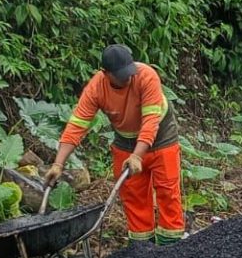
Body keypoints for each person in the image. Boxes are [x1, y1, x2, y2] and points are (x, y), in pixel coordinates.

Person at [47, 45, 184, 245]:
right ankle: (141, 250)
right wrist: (58, 165)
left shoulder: (146, 76)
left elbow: (150, 122)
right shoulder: (96, 88)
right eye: (120, 76)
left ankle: (173, 246)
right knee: (133, 195)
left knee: (167, 190)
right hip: (125, 140)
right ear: (106, 74)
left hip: (161, 135)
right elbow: (77, 126)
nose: (127, 79)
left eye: (129, 73)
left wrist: (138, 156)